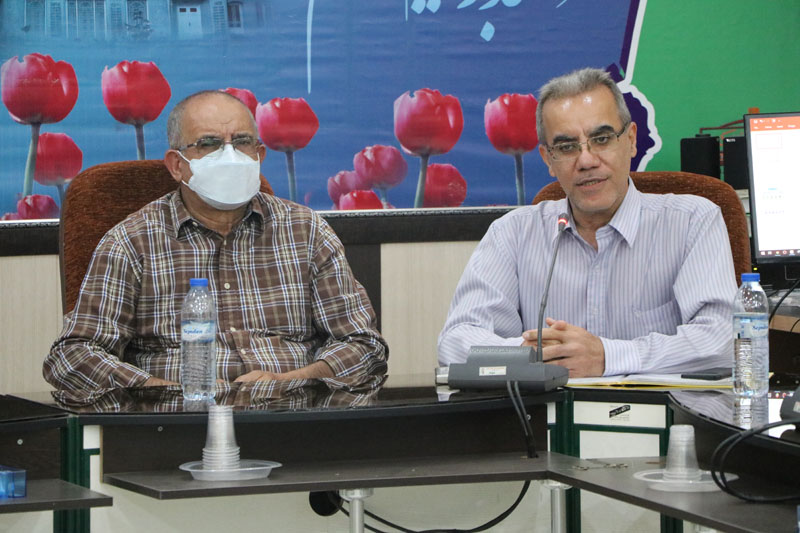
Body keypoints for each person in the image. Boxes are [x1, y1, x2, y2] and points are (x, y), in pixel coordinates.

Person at [44, 90, 388, 397]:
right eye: (208, 144)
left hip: (294, 415)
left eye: (242, 142)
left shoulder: (306, 231)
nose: (230, 156)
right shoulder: (132, 241)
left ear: (259, 155)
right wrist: (166, 393)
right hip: (174, 426)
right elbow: (73, 356)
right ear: (177, 165)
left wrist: (291, 381)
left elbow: (363, 344)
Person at [438, 67, 736, 378]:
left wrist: (607, 356)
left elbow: (724, 341)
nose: (586, 160)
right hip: (550, 409)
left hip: (662, 409)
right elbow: (455, 343)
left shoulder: (691, 222)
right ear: (548, 159)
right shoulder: (512, 234)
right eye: (567, 147)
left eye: (602, 139)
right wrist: (537, 356)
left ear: (631, 140)